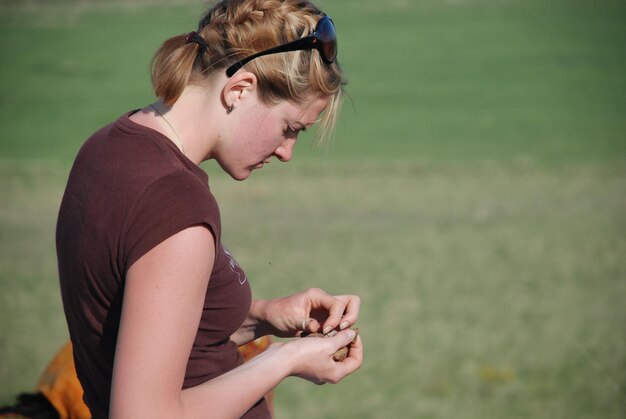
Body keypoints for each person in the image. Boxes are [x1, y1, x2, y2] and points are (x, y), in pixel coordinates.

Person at [55, 0, 363, 418]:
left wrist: (265, 318)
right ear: (239, 90)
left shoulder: (107, 147)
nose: (287, 152)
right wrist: (284, 360)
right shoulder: (175, 207)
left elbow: (159, 339)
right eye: (290, 129)